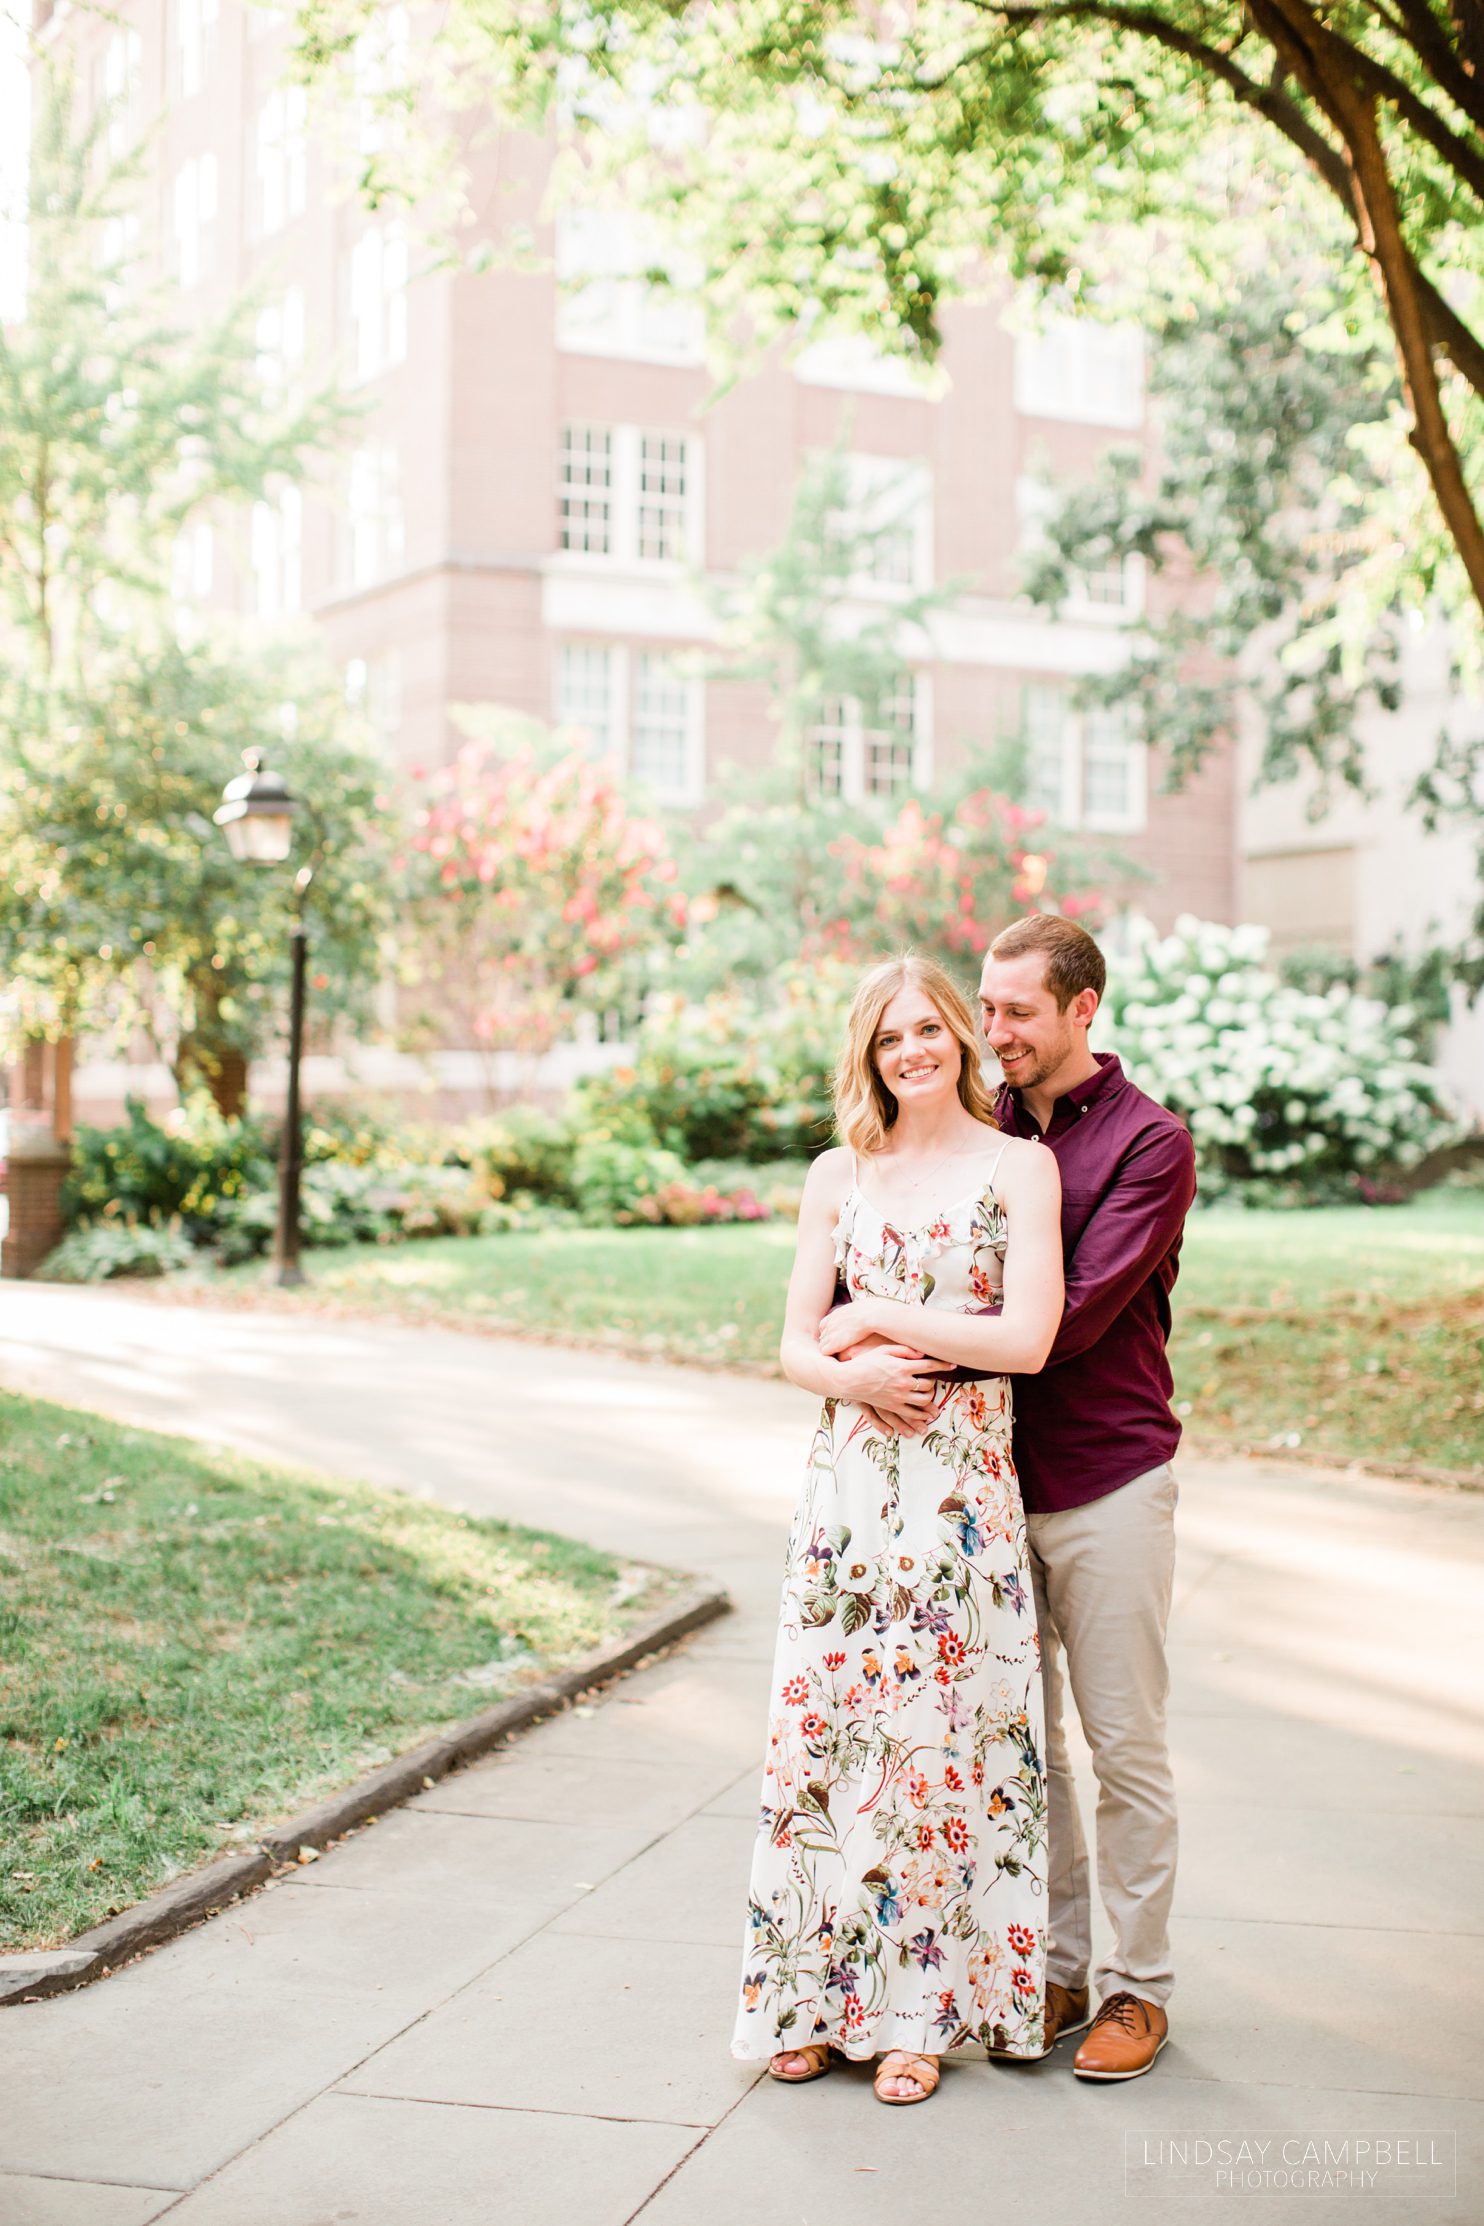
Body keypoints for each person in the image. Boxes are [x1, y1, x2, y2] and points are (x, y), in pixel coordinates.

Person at [729, 954, 1064, 2106]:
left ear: (961, 1038)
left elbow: (1023, 1341)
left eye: (928, 1029)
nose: (911, 1051)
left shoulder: (1020, 1170)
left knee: (935, 1746)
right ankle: (810, 2002)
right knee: (828, 1745)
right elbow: (789, 1347)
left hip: (959, 1498)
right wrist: (855, 1375)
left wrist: (869, 1314)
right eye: (888, 1038)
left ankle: (920, 2011)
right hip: (850, 1494)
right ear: (868, 1055)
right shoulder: (840, 1173)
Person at [976, 913, 1197, 2081]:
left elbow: (1060, 1322)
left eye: (1016, 1010)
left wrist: (906, 1339)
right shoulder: (979, 1127)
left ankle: (1136, 1988)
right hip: (988, 1485)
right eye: (986, 1005)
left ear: (1082, 1009)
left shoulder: (1149, 1145)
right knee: (1030, 1752)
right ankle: (1054, 1971)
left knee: (1123, 1747)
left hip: (1108, 1478)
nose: (993, 1031)